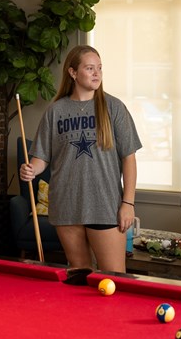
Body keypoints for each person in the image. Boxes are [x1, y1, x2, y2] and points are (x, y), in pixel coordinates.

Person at [19, 45, 142, 274]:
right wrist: (31, 170)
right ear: (73, 73)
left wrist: (128, 203)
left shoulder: (114, 108)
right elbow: (42, 158)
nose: (97, 73)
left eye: (99, 68)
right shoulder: (55, 111)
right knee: (78, 274)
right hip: (66, 205)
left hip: (105, 206)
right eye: (89, 68)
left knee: (114, 277)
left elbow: (129, 158)